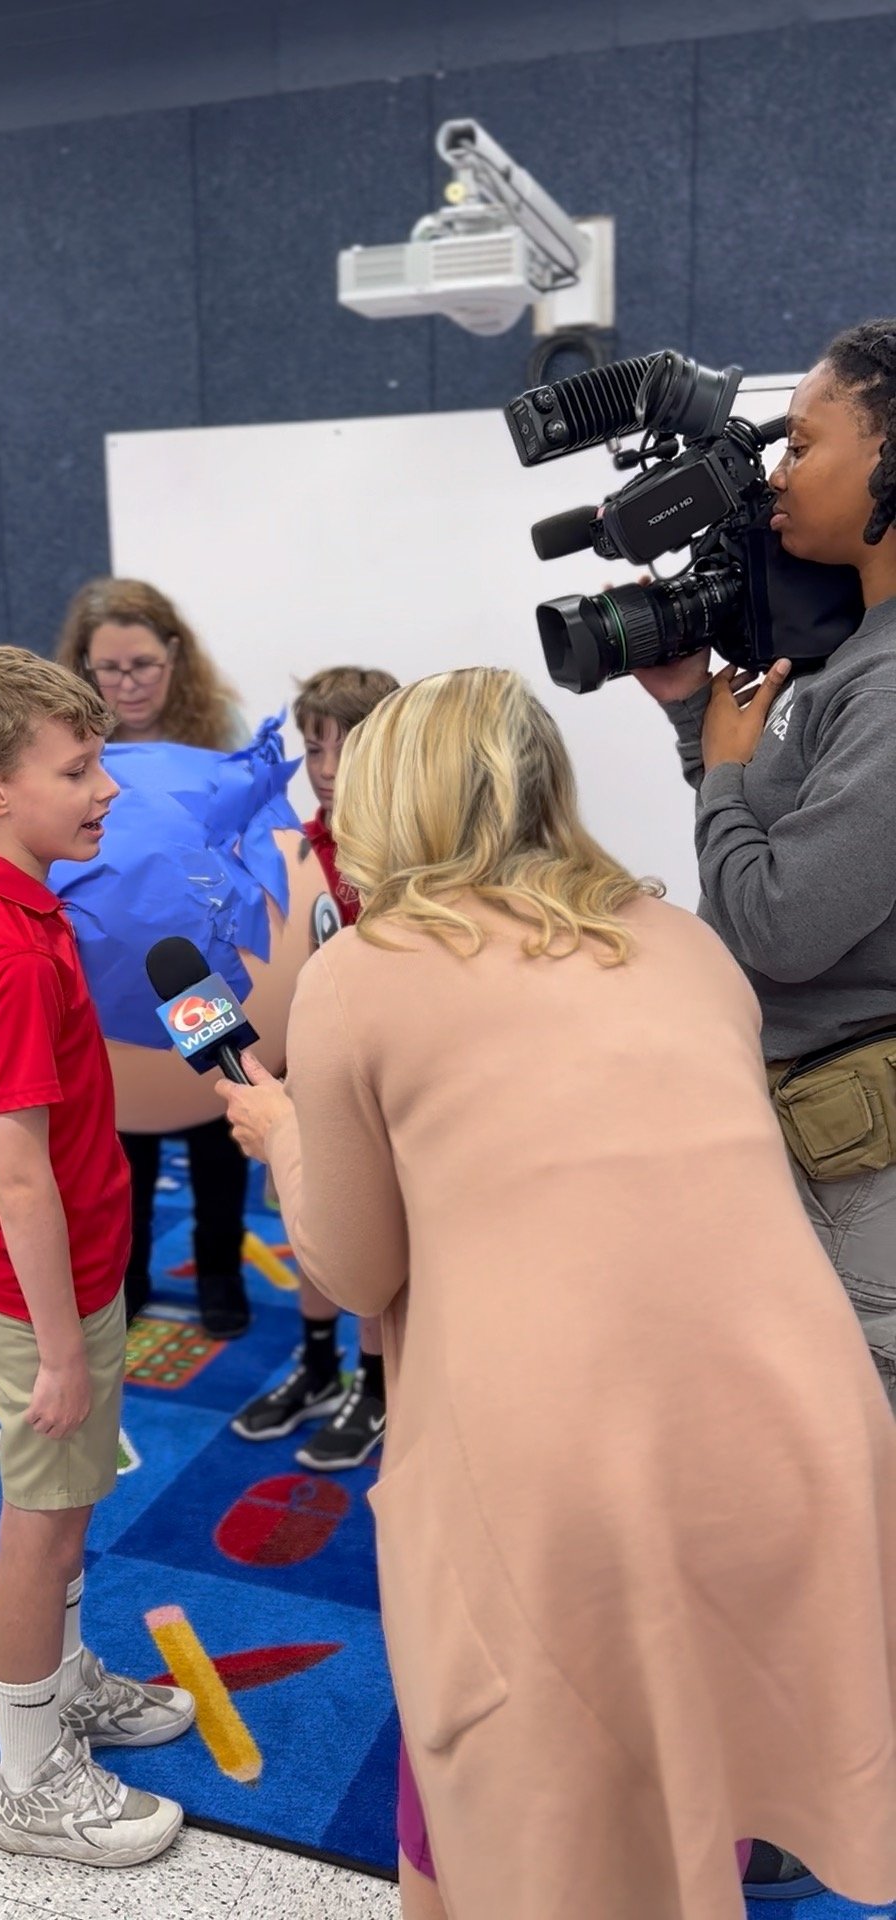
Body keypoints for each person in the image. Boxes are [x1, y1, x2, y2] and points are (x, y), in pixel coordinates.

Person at [215, 666, 896, 1920]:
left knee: (509, 1790)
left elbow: (355, 1268)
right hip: (805, 1434)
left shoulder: (365, 971)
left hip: (568, 1478)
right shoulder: (684, 940)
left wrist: (281, 1133)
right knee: (706, 1753)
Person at [0, 647, 194, 1868]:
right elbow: (17, 1168)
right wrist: (66, 1351)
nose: (105, 789)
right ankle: (28, 1782)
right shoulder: (8, 946)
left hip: (54, 1278)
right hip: (48, 1296)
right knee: (45, 1520)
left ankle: (62, 1685)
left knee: (68, 1508)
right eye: (78, 770)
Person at [633, 319, 896, 1423]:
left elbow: (780, 924)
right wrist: (703, 722)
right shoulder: (854, 661)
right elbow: (766, 842)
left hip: (864, 1166)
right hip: (815, 1134)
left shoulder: (885, 690)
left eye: (802, 443)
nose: (778, 473)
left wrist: (727, 775)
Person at [56, 578, 252, 1337]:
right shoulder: (67, 735)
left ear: (175, 654)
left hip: (199, 953)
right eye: (108, 669)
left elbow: (252, 836)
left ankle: (220, 1274)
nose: (127, 684)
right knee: (120, 1126)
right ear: (82, 667)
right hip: (107, 955)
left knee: (218, 1111)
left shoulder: (218, 727)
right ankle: (128, 1276)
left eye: (143, 664)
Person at [230, 666, 399, 1470]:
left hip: (375, 1080)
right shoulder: (293, 851)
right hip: (299, 1073)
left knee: (367, 1233)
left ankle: (376, 1381)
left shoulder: (404, 851)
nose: (325, 766)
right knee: (306, 1220)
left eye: (345, 745)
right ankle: (320, 1361)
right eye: (313, 747)